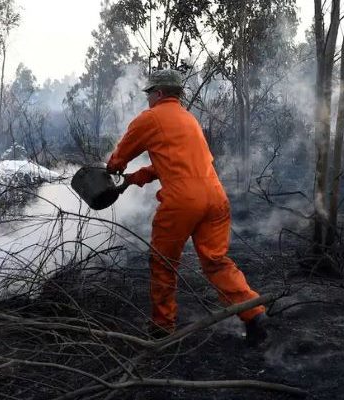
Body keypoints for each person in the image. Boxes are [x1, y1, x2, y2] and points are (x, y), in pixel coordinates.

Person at [106, 69, 267, 344]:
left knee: (164, 262)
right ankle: (253, 313)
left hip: (183, 202)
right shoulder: (189, 119)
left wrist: (113, 169)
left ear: (157, 93)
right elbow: (177, 162)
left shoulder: (150, 118)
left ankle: (162, 327)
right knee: (216, 261)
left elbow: (119, 157)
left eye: (149, 95)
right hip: (215, 197)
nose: (148, 100)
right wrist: (137, 178)